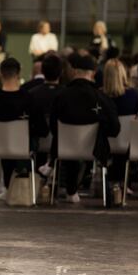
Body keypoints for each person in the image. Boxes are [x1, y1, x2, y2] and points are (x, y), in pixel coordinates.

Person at [50, 52, 120, 203]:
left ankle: (70, 189)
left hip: (64, 150)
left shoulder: (61, 96)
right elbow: (115, 129)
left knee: (70, 146)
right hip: (95, 151)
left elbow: (52, 127)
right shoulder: (102, 98)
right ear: (94, 73)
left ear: (74, 71)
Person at [0, 57, 48, 194]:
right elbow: (42, 130)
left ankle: (8, 187)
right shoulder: (30, 99)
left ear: (0, 74)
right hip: (24, 149)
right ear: (19, 74)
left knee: (7, 146)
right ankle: (21, 188)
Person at [100, 59, 138, 195]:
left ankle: (106, 180)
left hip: (104, 145)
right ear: (123, 74)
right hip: (128, 144)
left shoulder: (99, 96)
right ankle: (123, 182)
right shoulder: (133, 95)